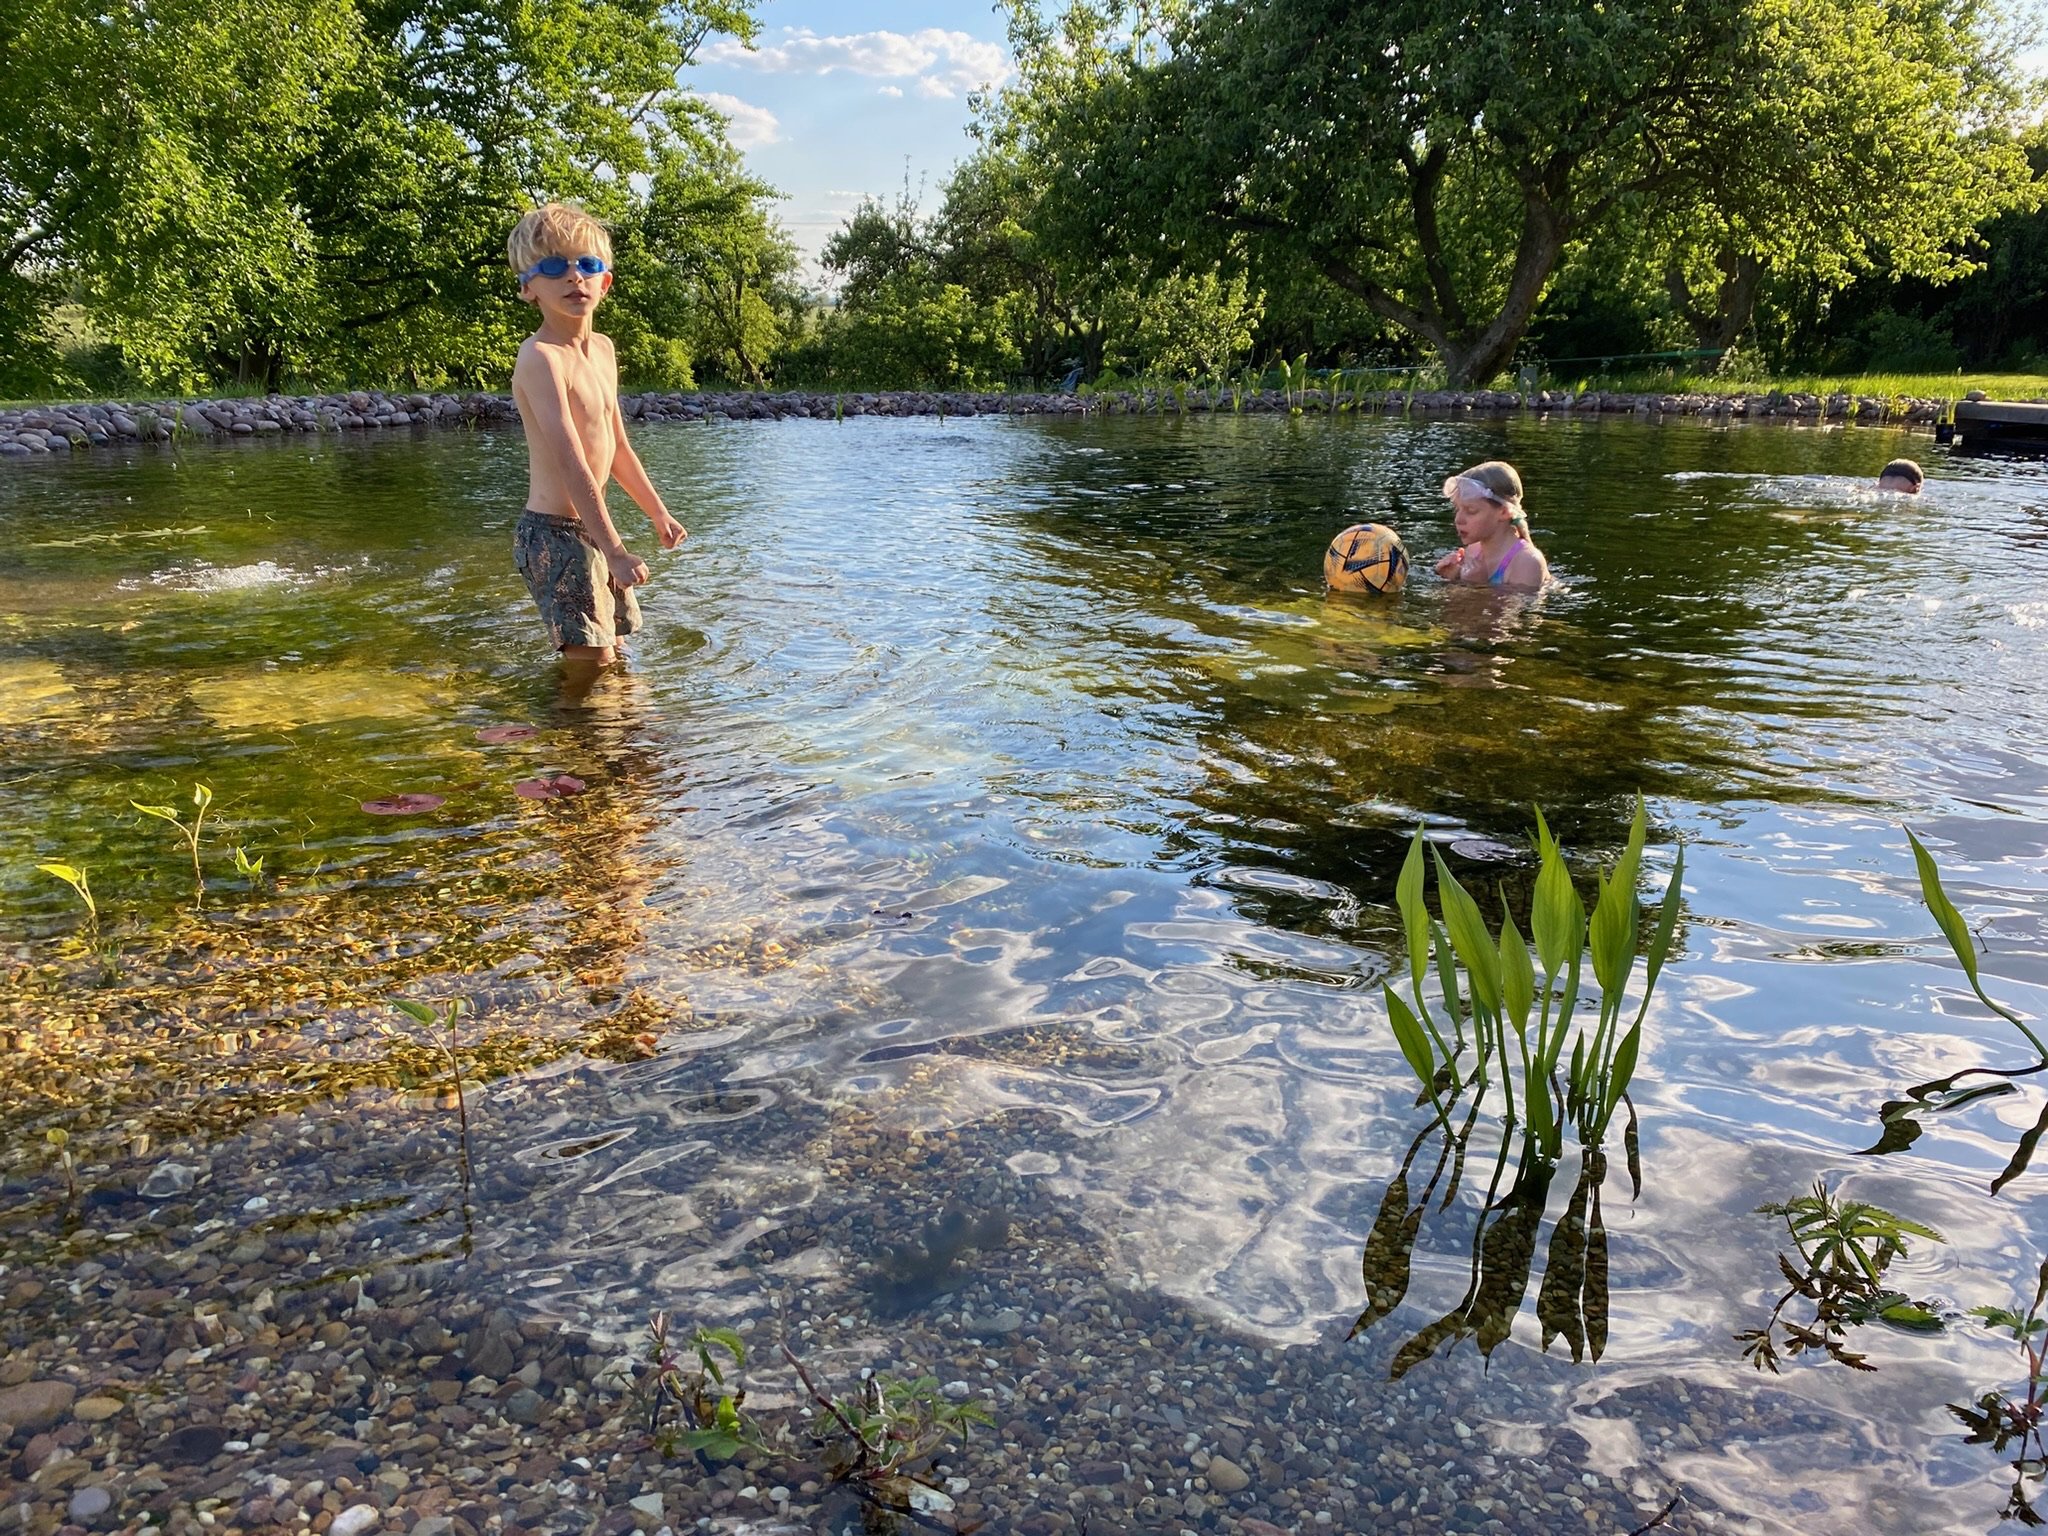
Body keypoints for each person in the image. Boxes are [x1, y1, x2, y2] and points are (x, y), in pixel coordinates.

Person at [507, 203, 686, 688]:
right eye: (552, 266)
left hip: (593, 526)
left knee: (618, 647)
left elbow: (617, 448)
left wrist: (657, 512)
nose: (573, 277)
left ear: (604, 281)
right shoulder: (541, 357)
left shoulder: (603, 350)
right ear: (528, 288)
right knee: (592, 663)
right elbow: (571, 462)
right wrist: (617, 549)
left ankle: (616, 750)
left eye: (586, 265)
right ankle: (564, 752)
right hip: (553, 533)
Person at [1433, 461, 1548, 591]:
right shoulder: (1473, 550)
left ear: (1504, 512)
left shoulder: (1527, 563)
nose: (1458, 520)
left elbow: (1512, 611)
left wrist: (1477, 585)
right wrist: (1453, 578)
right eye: (1457, 509)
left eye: (1471, 511)